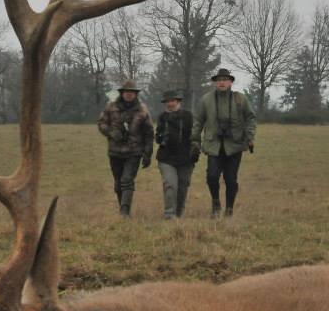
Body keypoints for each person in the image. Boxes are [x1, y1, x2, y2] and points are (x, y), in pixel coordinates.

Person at [191, 68, 256, 218]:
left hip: (234, 145)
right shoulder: (206, 100)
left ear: (231, 82)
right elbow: (198, 121)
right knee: (212, 177)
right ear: (215, 82)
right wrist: (195, 141)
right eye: (219, 80)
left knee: (231, 179)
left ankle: (229, 209)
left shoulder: (241, 99)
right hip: (213, 145)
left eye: (225, 80)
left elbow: (251, 118)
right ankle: (215, 204)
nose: (221, 82)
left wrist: (250, 136)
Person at [97, 80, 154, 217]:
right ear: (122, 93)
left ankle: (125, 212)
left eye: (132, 93)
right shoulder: (111, 107)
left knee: (127, 180)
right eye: (127, 92)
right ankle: (122, 207)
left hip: (134, 152)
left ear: (136, 94)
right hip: (115, 152)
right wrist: (111, 132)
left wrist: (148, 153)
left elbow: (149, 132)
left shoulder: (142, 109)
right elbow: (101, 123)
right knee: (118, 184)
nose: (129, 95)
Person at [155, 89, 197, 219]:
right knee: (170, 184)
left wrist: (195, 150)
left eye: (172, 100)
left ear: (178, 101)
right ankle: (169, 214)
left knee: (183, 186)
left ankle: (179, 213)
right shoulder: (162, 117)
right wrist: (162, 138)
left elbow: (195, 135)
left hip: (185, 157)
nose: (170, 103)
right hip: (166, 158)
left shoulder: (188, 116)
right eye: (167, 101)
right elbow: (157, 137)